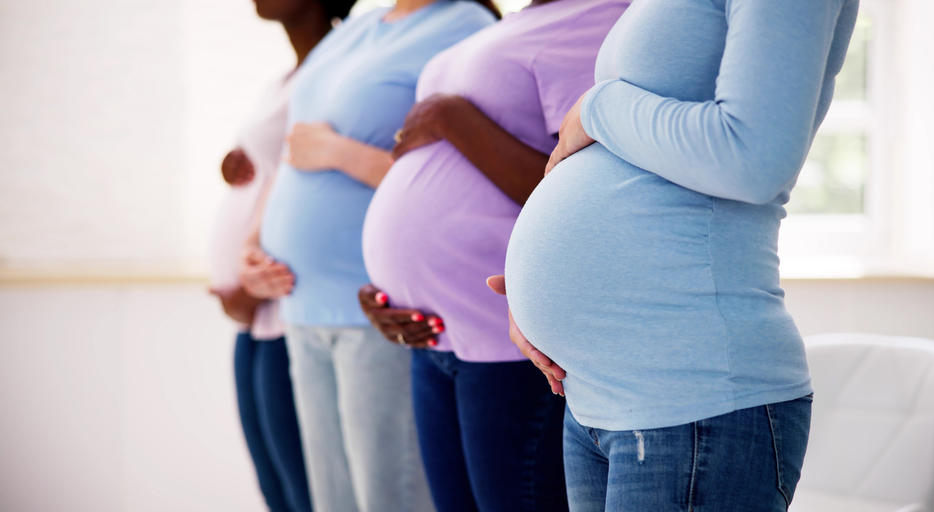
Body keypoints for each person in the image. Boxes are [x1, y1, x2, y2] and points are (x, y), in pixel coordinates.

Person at [497, 0, 860, 510]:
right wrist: (539, 290)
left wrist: (597, 108)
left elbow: (754, 160)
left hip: (692, 400)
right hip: (595, 401)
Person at [355, 0, 627, 510]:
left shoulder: (603, 15)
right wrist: (393, 278)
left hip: (508, 341)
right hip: (434, 336)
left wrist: (449, 116)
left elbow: (586, 191)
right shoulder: (522, 21)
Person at [244, 1, 496, 510]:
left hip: (375, 310)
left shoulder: (465, 25)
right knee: (332, 501)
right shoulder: (359, 27)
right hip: (302, 305)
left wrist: (341, 153)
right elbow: (296, 146)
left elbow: (465, 176)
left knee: (390, 498)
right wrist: (253, 244)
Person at [208, 1, 353, 510]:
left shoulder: (342, 62)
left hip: (284, 307)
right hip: (253, 312)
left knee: (304, 492)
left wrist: (247, 287)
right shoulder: (288, 75)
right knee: (276, 489)